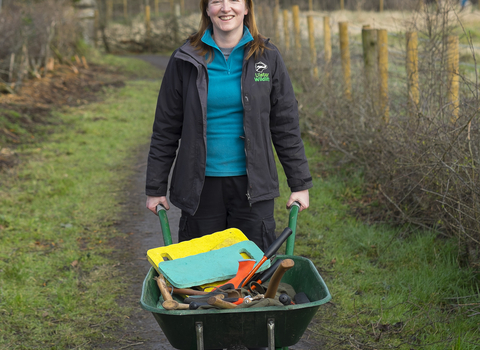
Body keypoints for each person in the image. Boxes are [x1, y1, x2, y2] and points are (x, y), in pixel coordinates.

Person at [145, 0, 312, 253]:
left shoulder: (267, 57)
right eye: (216, 1)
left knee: (253, 275)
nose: (226, 8)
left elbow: (285, 124)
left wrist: (299, 184)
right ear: (206, 9)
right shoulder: (185, 58)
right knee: (202, 276)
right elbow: (166, 127)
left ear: (246, 8)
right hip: (200, 189)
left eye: (234, 0)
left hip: (254, 188)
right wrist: (155, 188)